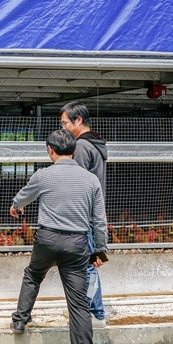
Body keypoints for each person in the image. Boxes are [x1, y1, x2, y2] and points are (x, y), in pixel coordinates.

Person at [9, 129, 108, 344]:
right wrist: (100, 250)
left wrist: (16, 206)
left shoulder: (43, 175)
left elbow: (23, 197)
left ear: (50, 150)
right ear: (74, 150)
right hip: (77, 244)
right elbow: (99, 220)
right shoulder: (90, 180)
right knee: (78, 305)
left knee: (33, 275)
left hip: (47, 239)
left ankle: (20, 320)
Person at [60, 101, 108, 328]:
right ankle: (87, 309)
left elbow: (76, 183)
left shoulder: (80, 147)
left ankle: (94, 314)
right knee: (89, 265)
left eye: (65, 123)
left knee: (87, 267)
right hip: (92, 213)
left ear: (78, 120)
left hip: (83, 216)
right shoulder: (96, 145)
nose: (63, 128)